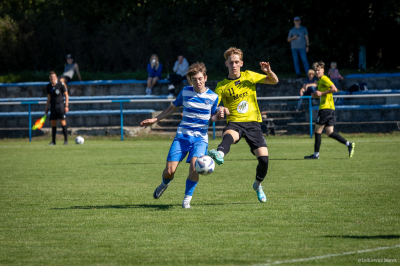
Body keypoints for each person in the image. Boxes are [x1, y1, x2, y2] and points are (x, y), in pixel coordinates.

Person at [140, 62, 223, 209]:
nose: (197, 82)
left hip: (200, 139)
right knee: (169, 171)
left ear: (205, 78)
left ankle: (186, 201)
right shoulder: (185, 92)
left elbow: (212, 117)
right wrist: (155, 119)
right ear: (190, 81)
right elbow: (172, 108)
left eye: (200, 78)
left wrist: (219, 117)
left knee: (195, 166)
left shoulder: (213, 97)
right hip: (182, 137)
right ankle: (164, 184)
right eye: (194, 79)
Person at [208, 47, 279, 203]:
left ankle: (258, 185)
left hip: (253, 123)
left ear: (241, 63)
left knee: (264, 161)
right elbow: (213, 108)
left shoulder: (249, 76)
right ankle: (219, 154)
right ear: (226, 63)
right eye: (231, 62)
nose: (233, 65)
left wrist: (268, 71)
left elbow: (274, 81)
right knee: (229, 136)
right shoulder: (221, 86)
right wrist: (220, 109)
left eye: (236, 62)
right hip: (235, 122)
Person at [304, 61, 355, 159]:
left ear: (323, 70)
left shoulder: (324, 78)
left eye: (319, 70)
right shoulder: (319, 81)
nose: (317, 72)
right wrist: (316, 95)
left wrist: (321, 93)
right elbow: (323, 94)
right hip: (330, 108)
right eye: (316, 71)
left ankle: (316, 155)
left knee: (317, 131)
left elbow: (334, 89)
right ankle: (349, 144)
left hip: (325, 109)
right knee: (330, 133)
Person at [44, 71, 69, 145]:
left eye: (53, 76)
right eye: (51, 77)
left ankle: (66, 141)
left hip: (60, 105)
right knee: (53, 123)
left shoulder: (60, 84)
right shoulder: (48, 86)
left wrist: (66, 106)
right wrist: (46, 108)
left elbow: (66, 95)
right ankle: (53, 141)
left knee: (62, 122)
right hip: (53, 106)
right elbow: (49, 98)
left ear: (56, 77)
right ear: (49, 78)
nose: (52, 78)